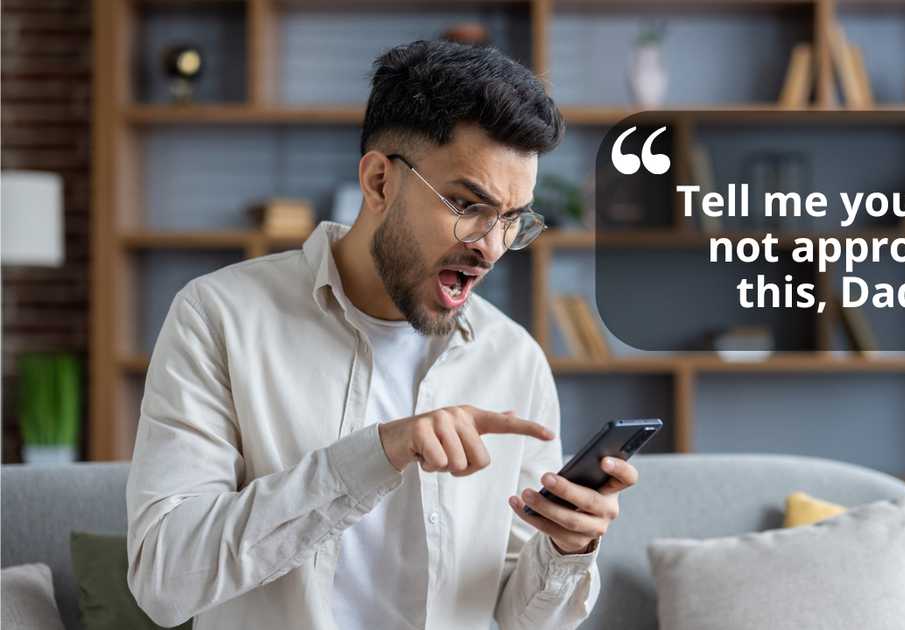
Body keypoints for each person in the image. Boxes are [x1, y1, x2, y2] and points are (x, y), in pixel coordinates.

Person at [125, 40, 640, 630]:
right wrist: (377, 454)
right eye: (469, 206)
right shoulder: (218, 318)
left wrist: (566, 548)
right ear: (378, 182)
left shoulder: (513, 359)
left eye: (513, 220)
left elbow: (523, 618)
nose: (492, 247)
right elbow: (163, 583)